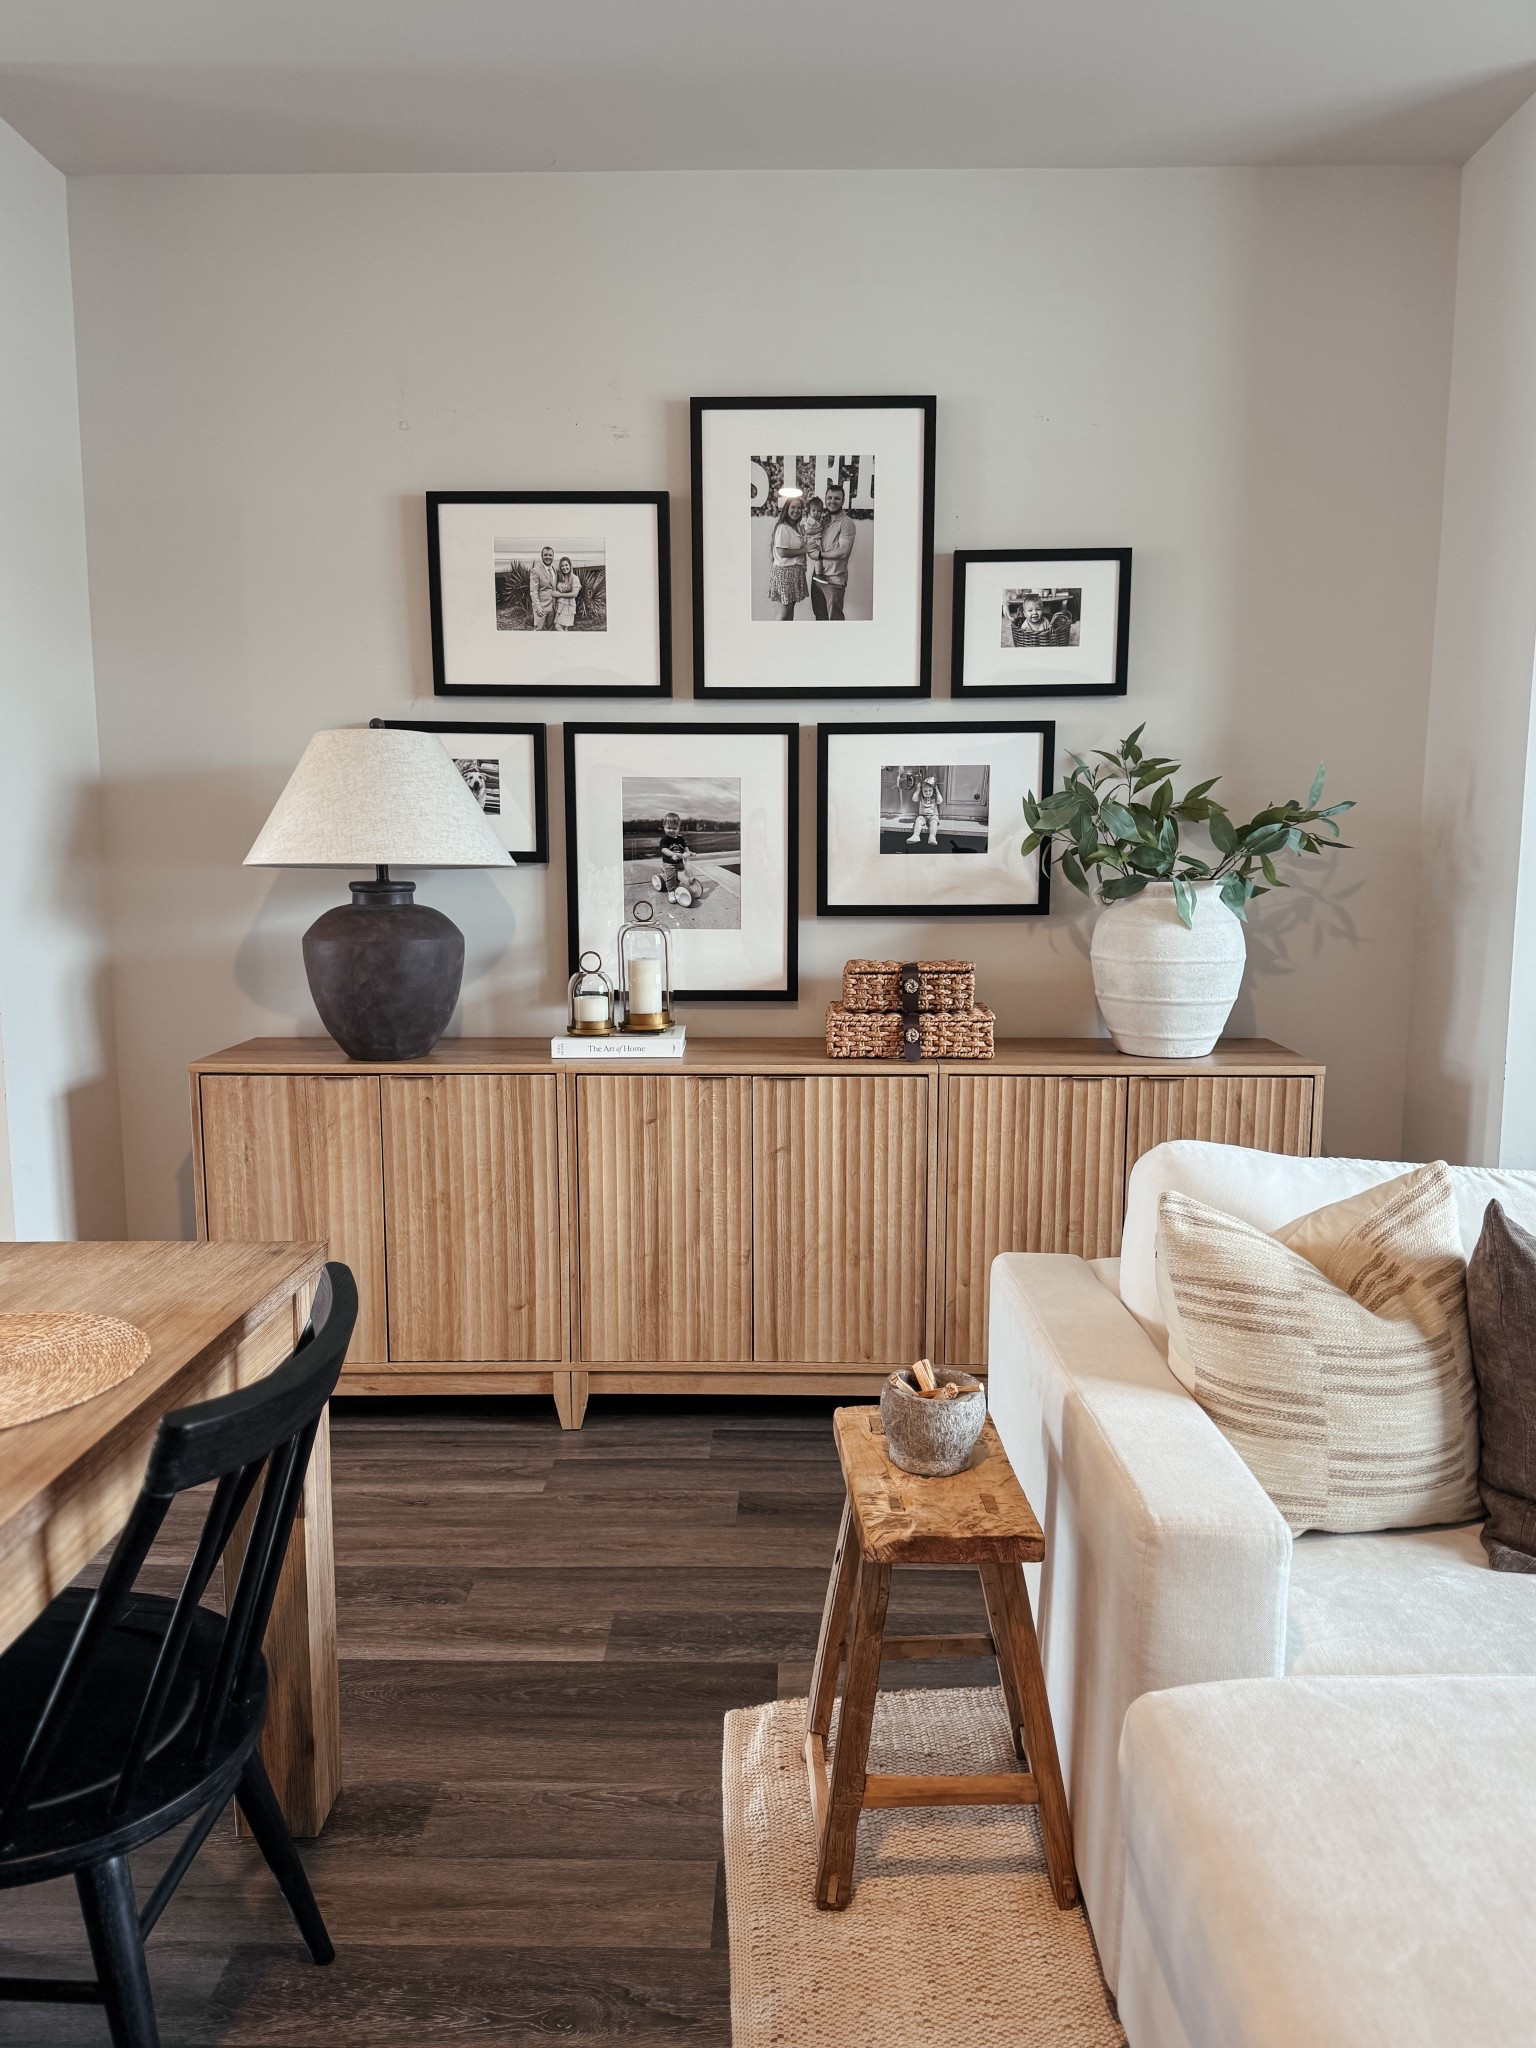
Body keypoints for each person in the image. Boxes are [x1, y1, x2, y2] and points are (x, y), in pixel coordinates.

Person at [810, 482, 857, 620]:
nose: (832, 501)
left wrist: (819, 555)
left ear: (843, 501)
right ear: (825, 499)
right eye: (829, 498)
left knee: (834, 621)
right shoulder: (823, 521)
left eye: (837, 498)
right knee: (820, 618)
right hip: (817, 577)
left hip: (834, 580)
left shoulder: (847, 523)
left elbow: (844, 551)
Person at [767, 494, 808, 621]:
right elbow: (782, 553)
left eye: (799, 508)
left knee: (790, 612)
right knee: (784, 613)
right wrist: (803, 550)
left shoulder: (797, 527)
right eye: (793, 507)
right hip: (785, 573)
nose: (796, 510)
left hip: (795, 572)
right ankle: (777, 633)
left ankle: (788, 632)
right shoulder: (783, 527)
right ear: (787, 509)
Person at [652, 811, 698, 905]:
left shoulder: (680, 839)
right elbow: (664, 849)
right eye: (669, 828)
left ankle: (686, 884)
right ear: (664, 827)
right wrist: (672, 854)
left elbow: (685, 847)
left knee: (684, 874)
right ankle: (671, 891)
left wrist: (689, 853)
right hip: (670, 864)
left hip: (680, 863)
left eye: (674, 828)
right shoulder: (665, 839)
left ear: (679, 828)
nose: (671, 830)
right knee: (671, 878)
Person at [907, 770, 943, 846]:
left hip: (933, 816)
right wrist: (918, 789)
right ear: (922, 791)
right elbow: (914, 799)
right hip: (922, 816)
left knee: (934, 823)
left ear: (933, 791)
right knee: (918, 820)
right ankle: (916, 835)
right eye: (925, 791)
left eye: (930, 790)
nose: (928, 792)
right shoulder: (921, 797)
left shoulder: (934, 797)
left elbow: (940, 801)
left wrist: (937, 790)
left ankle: (932, 836)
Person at [528, 544, 558, 631]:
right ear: (541, 556)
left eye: (550, 555)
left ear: (553, 556)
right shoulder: (536, 571)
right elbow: (533, 591)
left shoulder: (554, 569)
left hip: (553, 608)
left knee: (550, 630)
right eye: (545, 555)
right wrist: (538, 608)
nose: (548, 557)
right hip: (541, 608)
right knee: (539, 630)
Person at [553, 556, 580, 631]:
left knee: (558, 626)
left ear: (570, 565)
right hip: (560, 606)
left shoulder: (574, 578)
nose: (564, 567)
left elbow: (575, 594)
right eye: (562, 566)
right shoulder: (560, 577)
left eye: (566, 565)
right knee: (564, 628)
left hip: (568, 606)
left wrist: (559, 595)